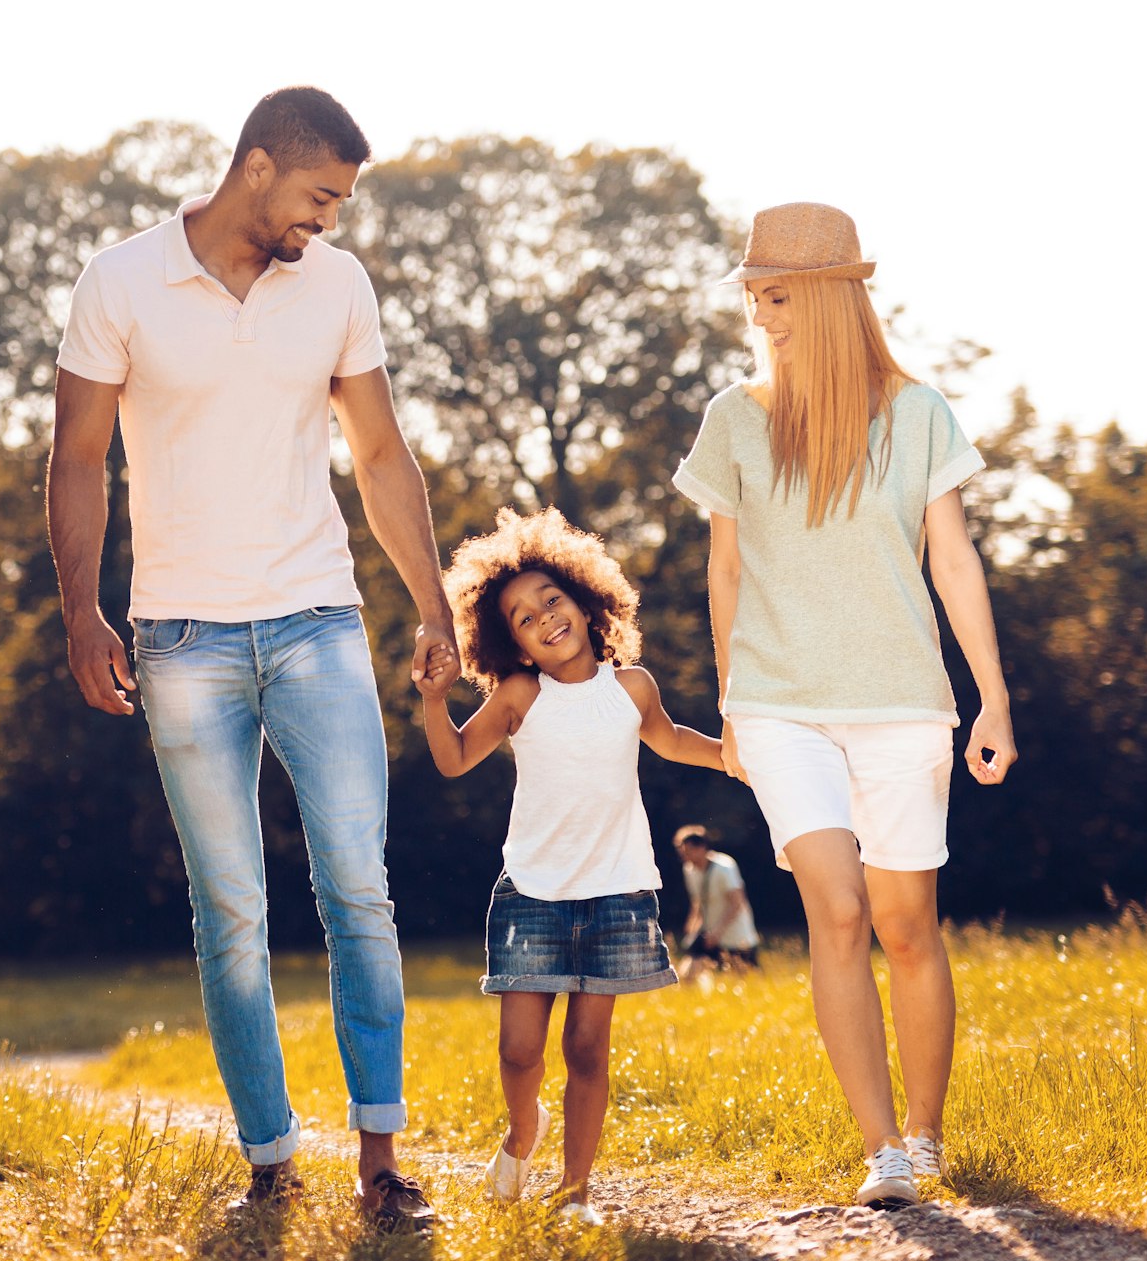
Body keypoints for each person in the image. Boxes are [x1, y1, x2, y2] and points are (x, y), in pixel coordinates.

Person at [46, 86, 456, 1231]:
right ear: (260, 167)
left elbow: (377, 452)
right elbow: (77, 458)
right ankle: (270, 1155)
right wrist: (81, 610)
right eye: (320, 195)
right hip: (178, 634)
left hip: (318, 618)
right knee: (228, 905)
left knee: (358, 893)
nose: (327, 220)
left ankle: (381, 1158)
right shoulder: (119, 281)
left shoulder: (335, 285)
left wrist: (432, 604)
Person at [673, 203, 1018, 1210]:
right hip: (780, 704)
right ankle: (882, 1149)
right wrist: (734, 703)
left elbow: (951, 560)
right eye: (752, 297)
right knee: (837, 904)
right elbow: (724, 571)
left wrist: (990, 697)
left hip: (902, 700)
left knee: (907, 921)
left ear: (830, 298)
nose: (760, 317)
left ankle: (926, 1129)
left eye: (775, 297)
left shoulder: (917, 414)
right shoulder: (733, 418)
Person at [415, 507, 724, 1225]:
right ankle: (524, 1130)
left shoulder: (633, 686)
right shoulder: (522, 694)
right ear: (510, 641)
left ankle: (576, 1188)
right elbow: (455, 757)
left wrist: (736, 757)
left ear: (586, 599)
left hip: (617, 892)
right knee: (520, 1050)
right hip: (533, 893)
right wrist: (434, 701)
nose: (544, 617)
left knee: (588, 1049)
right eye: (523, 617)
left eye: (551, 598)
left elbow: (673, 739)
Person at [672, 825, 760, 976]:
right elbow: (698, 901)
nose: (684, 857)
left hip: (736, 936)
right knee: (687, 975)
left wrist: (718, 932)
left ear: (702, 848)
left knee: (744, 980)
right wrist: (692, 926)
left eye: (688, 852)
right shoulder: (689, 870)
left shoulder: (724, 867)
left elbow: (737, 903)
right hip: (709, 934)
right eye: (682, 853)